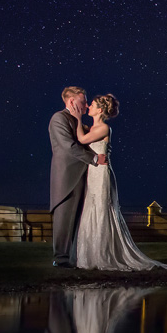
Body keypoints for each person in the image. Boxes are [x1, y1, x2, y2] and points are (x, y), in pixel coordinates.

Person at [70, 93, 167, 271]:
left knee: (102, 209)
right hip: (93, 172)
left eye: (93, 105)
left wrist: (77, 117)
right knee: (91, 209)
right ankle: (90, 255)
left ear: (100, 110)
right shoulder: (94, 128)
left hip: (101, 174)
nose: (89, 107)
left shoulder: (103, 128)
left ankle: (102, 255)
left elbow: (81, 139)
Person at [48, 86, 108, 268]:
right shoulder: (59, 118)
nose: (87, 104)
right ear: (72, 102)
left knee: (79, 220)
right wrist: (95, 158)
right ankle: (61, 259)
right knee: (64, 219)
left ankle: (75, 258)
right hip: (67, 178)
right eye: (83, 101)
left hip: (84, 175)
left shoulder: (77, 121)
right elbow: (69, 147)